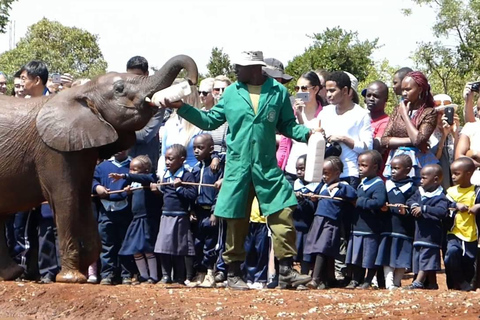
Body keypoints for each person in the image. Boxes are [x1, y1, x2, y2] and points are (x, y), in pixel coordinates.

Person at [161, 50, 315, 290]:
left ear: (255, 68)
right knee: (236, 220)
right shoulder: (232, 92)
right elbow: (210, 120)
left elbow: (287, 125)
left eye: (239, 66)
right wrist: (181, 107)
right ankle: (233, 273)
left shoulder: (278, 92)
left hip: (266, 167)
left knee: (282, 213)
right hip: (237, 167)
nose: (235, 70)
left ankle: (286, 271)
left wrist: (309, 133)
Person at [305, 156, 357, 290]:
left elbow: (352, 194)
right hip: (318, 219)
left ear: (337, 173)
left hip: (331, 221)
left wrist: (338, 185)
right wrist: (313, 198)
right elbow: (315, 195)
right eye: (322, 173)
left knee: (323, 247)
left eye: (327, 173)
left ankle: (315, 279)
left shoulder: (343, 186)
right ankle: (327, 279)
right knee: (318, 247)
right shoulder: (323, 186)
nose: (324, 176)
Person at [110, 155, 162, 284]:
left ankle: (154, 276)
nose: (131, 172)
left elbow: (146, 178)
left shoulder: (150, 179)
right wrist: (127, 192)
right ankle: (143, 275)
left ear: (146, 170)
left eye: (135, 170)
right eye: (130, 169)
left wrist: (124, 176)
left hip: (147, 219)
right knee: (135, 249)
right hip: (136, 219)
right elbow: (122, 193)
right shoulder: (133, 182)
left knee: (148, 248)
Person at [381, 71, 438, 185]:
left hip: (418, 162)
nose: (404, 93)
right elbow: (384, 140)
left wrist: (406, 116)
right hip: (396, 161)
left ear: (420, 89)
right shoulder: (398, 110)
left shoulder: (429, 112)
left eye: (408, 89)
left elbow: (419, 140)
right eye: (403, 90)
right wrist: (411, 141)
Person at [152, 144, 197, 284]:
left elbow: (192, 194)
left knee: (179, 248)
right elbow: (165, 193)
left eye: (170, 159)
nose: (167, 162)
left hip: (180, 215)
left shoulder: (186, 175)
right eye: (166, 159)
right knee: (163, 247)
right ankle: (166, 276)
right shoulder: (165, 175)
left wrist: (179, 188)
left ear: (181, 160)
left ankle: (179, 277)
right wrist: (158, 190)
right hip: (166, 214)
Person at [345, 150, 387, 290]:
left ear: (375, 167)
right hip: (358, 227)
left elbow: (378, 202)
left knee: (369, 256)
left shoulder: (378, 184)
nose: (360, 168)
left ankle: (368, 280)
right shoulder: (363, 183)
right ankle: (356, 279)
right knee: (357, 256)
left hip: (370, 228)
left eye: (364, 165)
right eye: (359, 165)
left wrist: (359, 202)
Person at [375, 155, 417, 289]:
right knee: (387, 257)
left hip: (404, 229)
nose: (393, 171)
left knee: (401, 257)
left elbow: (414, 206)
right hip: (388, 227)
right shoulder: (386, 184)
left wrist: (406, 211)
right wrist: (383, 207)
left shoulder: (412, 188)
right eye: (391, 168)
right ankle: (389, 283)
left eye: (397, 168)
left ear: (407, 170)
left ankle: (397, 282)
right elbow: (380, 201)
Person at [92, 150, 134, 285]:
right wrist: (97, 187)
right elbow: (92, 180)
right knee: (107, 244)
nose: (120, 150)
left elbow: (144, 177)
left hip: (126, 210)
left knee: (125, 243)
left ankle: (126, 274)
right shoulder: (102, 167)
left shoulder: (133, 165)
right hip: (106, 210)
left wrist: (131, 188)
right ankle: (107, 274)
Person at [405, 164, 448, 290]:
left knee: (427, 257)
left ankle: (418, 282)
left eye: (424, 178)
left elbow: (442, 211)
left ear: (435, 180)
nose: (421, 181)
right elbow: (410, 200)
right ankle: (432, 283)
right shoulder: (420, 192)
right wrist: (413, 205)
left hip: (431, 234)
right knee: (419, 256)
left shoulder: (441, 196)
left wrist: (423, 209)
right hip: (419, 233)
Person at [189, 134, 223, 288]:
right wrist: (192, 210)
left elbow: (220, 193)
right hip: (199, 212)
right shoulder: (196, 169)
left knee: (211, 245)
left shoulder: (217, 167)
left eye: (200, 148)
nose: (196, 151)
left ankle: (211, 273)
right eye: (194, 148)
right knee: (198, 244)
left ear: (210, 149)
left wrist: (215, 212)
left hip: (211, 213)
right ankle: (200, 274)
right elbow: (192, 192)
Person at [279, 71, 324, 184]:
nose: (299, 92)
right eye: (297, 88)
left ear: (315, 89)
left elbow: (311, 141)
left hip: (312, 173)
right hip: (291, 169)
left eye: (304, 89)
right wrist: (298, 114)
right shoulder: (292, 113)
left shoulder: (324, 114)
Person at [444, 157, 480, 291]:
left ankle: (466, 284)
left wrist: (478, 206)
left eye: (457, 173)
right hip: (453, 232)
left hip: (471, 234)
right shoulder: (450, 192)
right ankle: (458, 283)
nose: (453, 177)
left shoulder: (476, 191)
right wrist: (455, 205)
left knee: (468, 260)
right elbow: (443, 205)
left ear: (469, 173)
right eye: (452, 173)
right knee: (451, 254)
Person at [126, 56, 164, 172]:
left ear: (146, 74)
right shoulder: (124, 97)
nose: (133, 80)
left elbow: (145, 135)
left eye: (137, 76)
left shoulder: (156, 99)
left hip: (146, 168)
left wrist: (122, 131)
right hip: (125, 165)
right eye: (130, 76)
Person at [158, 81, 203, 173]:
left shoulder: (201, 124)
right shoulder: (170, 123)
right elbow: (163, 155)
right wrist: (161, 174)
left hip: (192, 175)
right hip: (169, 177)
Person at [292, 155, 320, 277]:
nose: (299, 172)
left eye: (302, 169)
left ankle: (304, 276)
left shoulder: (317, 187)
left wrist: (304, 200)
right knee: (293, 253)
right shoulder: (293, 185)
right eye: (297, 169)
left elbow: (313, 209)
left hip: (309, 228)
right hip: (295, 226)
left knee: (306, 254)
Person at [430, 94, 460, 189]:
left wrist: (455, 134)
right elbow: (434, 159)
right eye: (439, 113)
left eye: (446, 113)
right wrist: (444, 136)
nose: (443, 117)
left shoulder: (460, 131)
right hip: (440, 184)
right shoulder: (429, 134)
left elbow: (461, 157)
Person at [243, 197, 270, 290]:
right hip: (250, 220)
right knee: (248, 250)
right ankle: (249, 278)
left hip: (263, 221)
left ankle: (260, 279)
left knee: (261, 251)